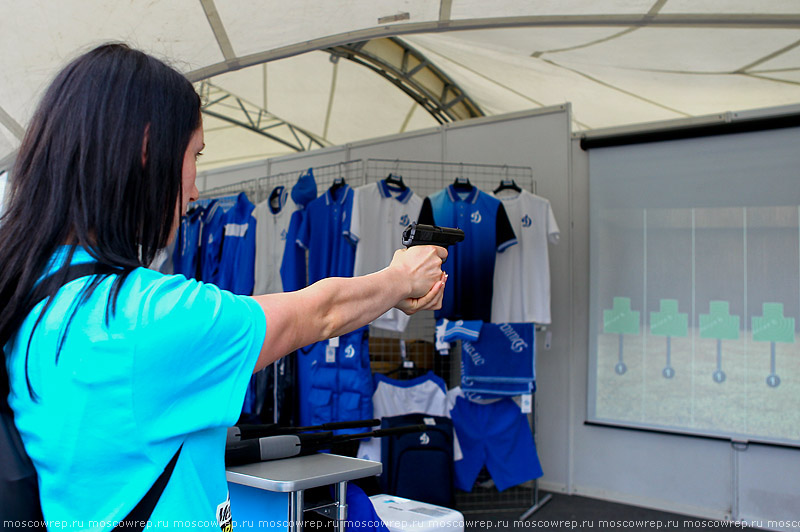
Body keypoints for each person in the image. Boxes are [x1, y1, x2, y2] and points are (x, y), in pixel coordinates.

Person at [0, 43, 447, 528]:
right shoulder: (148, 318)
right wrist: (400, 277)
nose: (195, 189)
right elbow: (319, 313)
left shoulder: (28, 288)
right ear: (148, 150)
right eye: (195, 155)